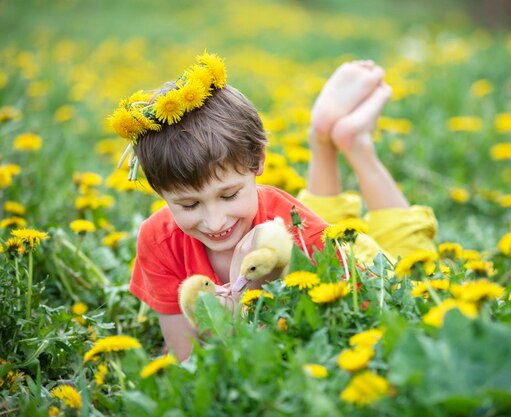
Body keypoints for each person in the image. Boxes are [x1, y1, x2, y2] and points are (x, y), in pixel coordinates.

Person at [116, 53, 436, 361]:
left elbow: (377, 303)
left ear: (257, 161)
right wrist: (244, 293)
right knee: (313, 215)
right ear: (160, 193)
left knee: (408, 261)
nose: (214, 223)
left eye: (228, 196)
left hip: (350, 259)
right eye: (188, 204)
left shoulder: (302, 231)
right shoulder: (158, 240)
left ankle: (354, 143)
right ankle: (328, 137)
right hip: (302, 223)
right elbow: (188, 359)